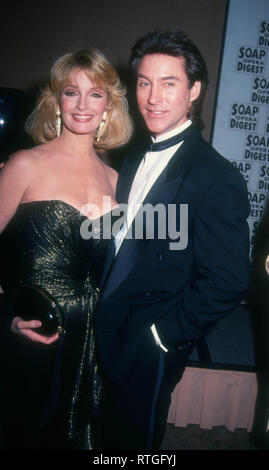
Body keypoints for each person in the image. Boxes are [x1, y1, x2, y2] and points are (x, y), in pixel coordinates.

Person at [95, 30, 251, 449]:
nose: (153, 97)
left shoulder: (217, 177)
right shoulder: (131, 157)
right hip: (106, 329)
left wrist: (163, 336)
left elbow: (228, 280)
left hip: (152, 344)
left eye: (169, 83)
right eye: (144, 82)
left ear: (194, 90)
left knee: (132, 445)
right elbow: (122, 245)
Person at [0, 48, 132, 450]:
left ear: (108, 106)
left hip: (92, 339)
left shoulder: (116, 181)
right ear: (56, 100)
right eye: (71, 92)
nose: (82, 104)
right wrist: (5, 317)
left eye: (96, 94)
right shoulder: (25, 165)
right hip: (34, 334)